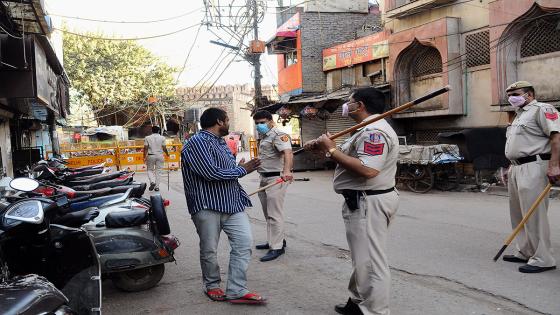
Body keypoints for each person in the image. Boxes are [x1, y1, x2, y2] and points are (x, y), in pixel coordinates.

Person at [304, 87, 399, 315]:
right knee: (362, 258)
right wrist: (322, 150)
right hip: (362, 201)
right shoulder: (362, 130)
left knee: (371, 262)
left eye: (350, 101)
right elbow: (345, 158)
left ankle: (375, 311)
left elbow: (368, 170)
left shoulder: (373, 132)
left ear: (361, 105)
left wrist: (331, 150)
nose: (347, 105)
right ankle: (357, 303)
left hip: (369, 202)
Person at [181, 107, 266, 305]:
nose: (228, 123)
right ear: (219, 121)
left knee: (244, 244)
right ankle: (212, 285)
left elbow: (226, 171)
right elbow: (210, 173)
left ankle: (237, 289)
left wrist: (238, 168)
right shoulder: (197, 142)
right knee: (210, 249)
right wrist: (242, 170)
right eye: (227, 120)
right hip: (207, 204)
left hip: (232, 203)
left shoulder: (221, 142)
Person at [503, 81, 559, 273]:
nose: (511, 97)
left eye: (515, 93)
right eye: (509, 94)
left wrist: (555, 165)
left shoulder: (542, 109)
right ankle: (525, 251)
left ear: (529, 94)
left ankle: (543, 258)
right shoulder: (519, 115)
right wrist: (510, 167)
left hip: (534, 166)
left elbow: (556, 137)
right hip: (517, 168)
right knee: (518, 212)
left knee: (534, 214)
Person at [252, 110, 293, 262]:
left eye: (262, 122)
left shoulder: (278, 135)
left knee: (275, 214)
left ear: (270, 121)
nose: (259, 125)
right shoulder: (264, 137)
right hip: (264, 178)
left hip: (276, 178)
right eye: (256, 123)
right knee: (268, 213)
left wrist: (287, 171)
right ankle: (274, 240)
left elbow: (288, 153)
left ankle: (277, 247)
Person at [143, 126, 169, 192]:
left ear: (152, 130)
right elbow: (164, 147)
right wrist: (167, 154)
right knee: (159, 171)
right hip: (160, 155)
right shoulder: (162, 138)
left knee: (149, 170)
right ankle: (157, 187)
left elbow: (145, 148)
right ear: (158, 131)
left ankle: (152, 182)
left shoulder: (147, 138)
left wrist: (144, 156)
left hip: (151, 155)